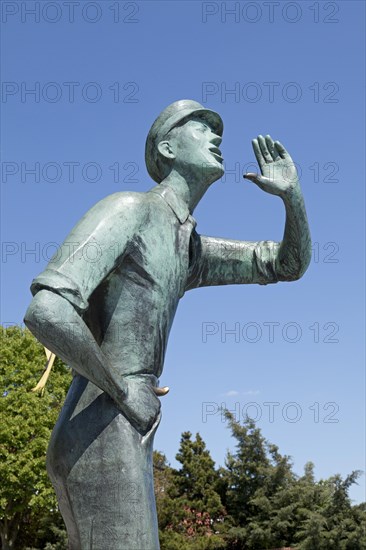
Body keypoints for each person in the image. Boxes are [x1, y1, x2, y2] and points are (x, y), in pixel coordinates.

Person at [24, 99, 311, 549]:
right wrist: (124, 391)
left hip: (121, 420)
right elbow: (47, 310)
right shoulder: (129, 209)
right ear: (167, 147)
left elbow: (286, 264)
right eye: (199, 127)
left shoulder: (188, 246)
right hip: (102, 421)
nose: (217, 136)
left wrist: (292, 198)